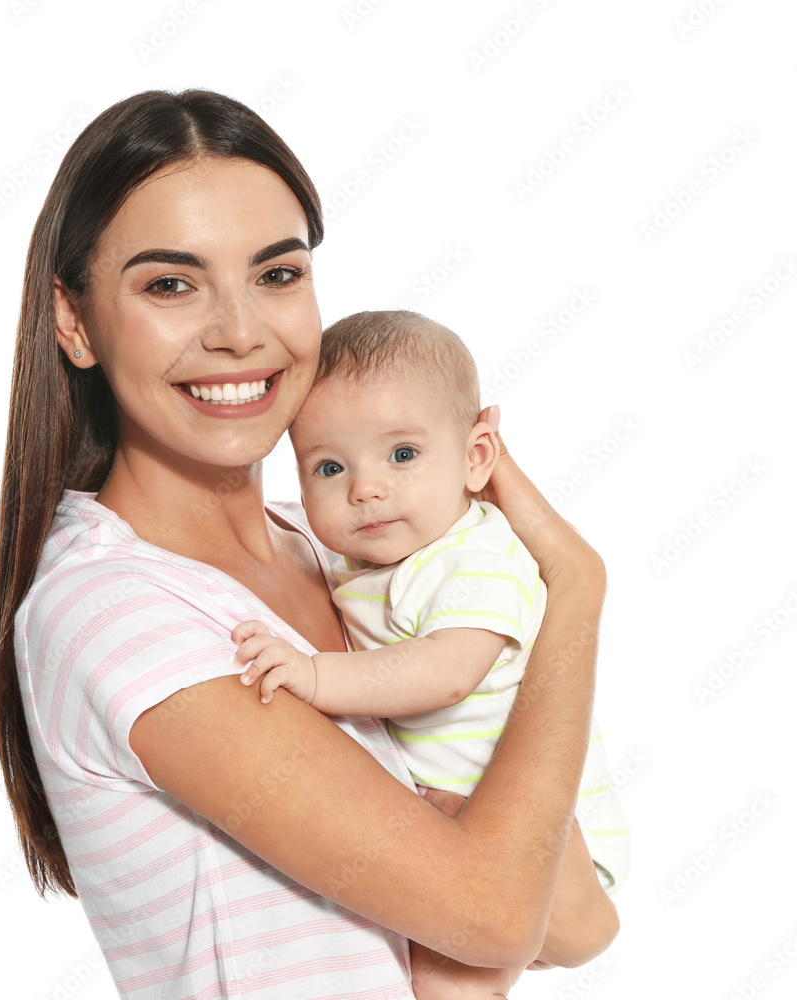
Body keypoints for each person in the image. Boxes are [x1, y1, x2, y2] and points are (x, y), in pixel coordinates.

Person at [0, 88, 618, 1000]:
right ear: (73, 322)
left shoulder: (340, 558)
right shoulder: (114, 610)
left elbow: (576, 920)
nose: (240, 333)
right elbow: (495, 912)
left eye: (277, 274)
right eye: (170, 284)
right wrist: (575, 597)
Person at [231, 309, 629, 997]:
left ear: (477, 457)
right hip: (460, 829)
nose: (366, 487)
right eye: (329, 466)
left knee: (450, 982)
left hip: (550, 833)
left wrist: (316, 676)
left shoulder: (474, 556)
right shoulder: (355, 560)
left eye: (403, 455)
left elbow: (446, 674)